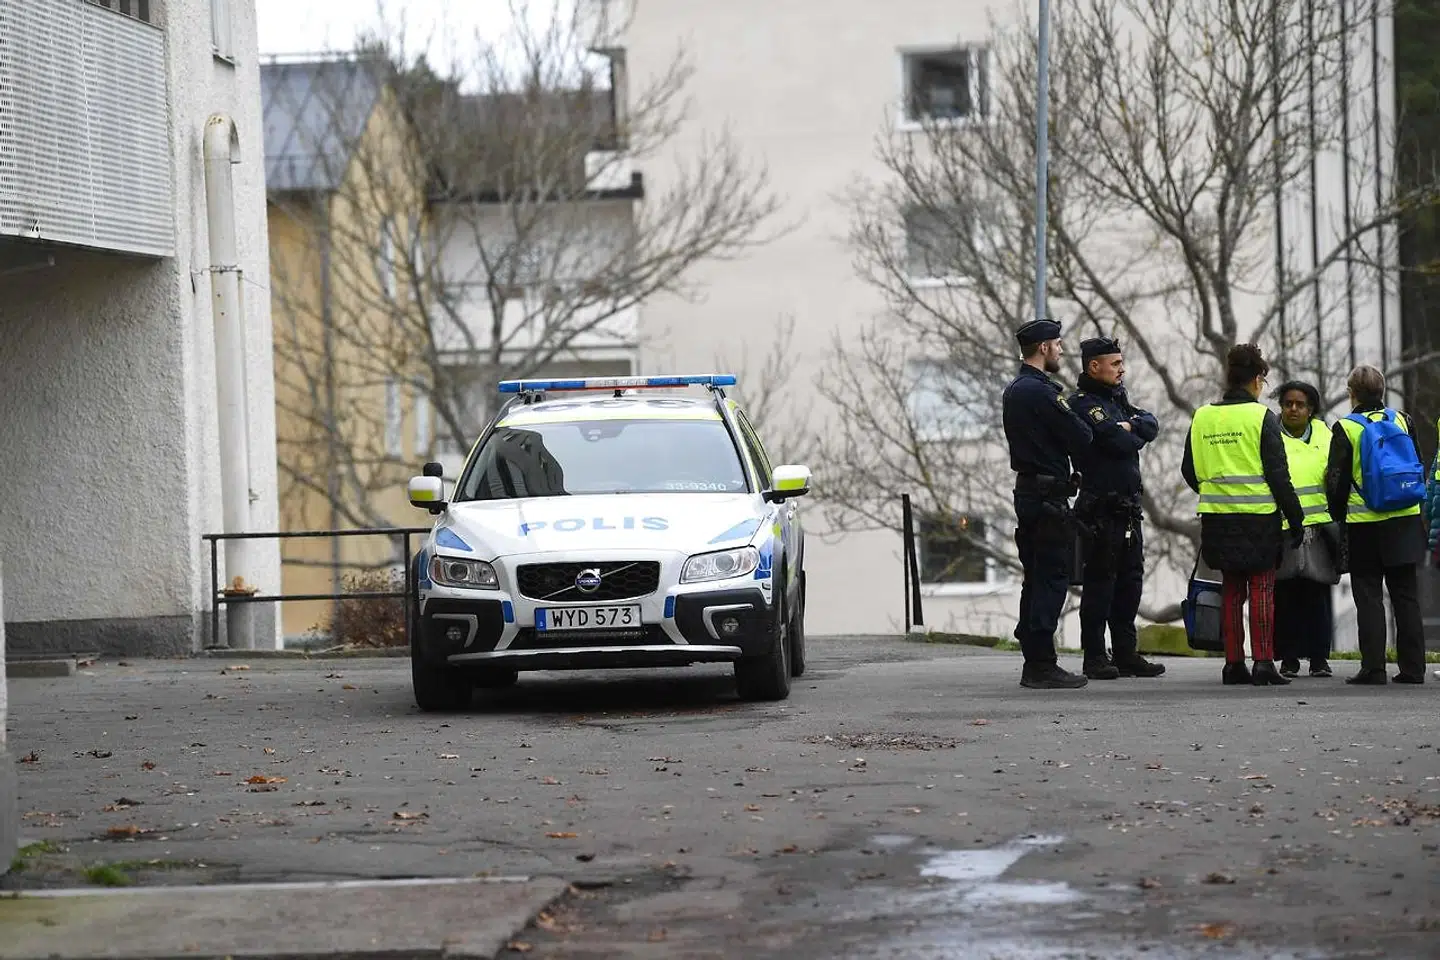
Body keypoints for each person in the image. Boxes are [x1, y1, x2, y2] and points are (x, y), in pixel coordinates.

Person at [1181, 343, 1305, 686]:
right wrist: (1295, 519)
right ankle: (1264, 663)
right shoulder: (1261, 418)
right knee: (1262, 589)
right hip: (1259, 517)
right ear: (1256, 380)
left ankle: (1233, 664)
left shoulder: (1203, 417)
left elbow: (1188, 469)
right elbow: (1279, 475)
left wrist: (1215, 492)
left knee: (1232, 591)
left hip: (1217, 518)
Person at [1002, 317, 1094, 690]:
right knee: (1051, 578)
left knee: (1035, 577)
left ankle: (1035, 656)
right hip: (1047, 499)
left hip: (1030, 494)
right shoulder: (1041, 392)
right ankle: (1041, 663)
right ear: (1043, 348)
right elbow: (1081, 435)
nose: (1060, 350)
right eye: (1057, 344)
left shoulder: (1015, 389)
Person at [1068, 336, 1166, 680]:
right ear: (1094, 366)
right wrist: (1131, 430)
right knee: (1100, 584)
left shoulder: (1118, 400)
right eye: (1115, 365)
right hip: (1100, 509)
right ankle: (1095, 655)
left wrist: (1131, 426)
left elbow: (1150, 424)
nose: (1122, 371)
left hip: (1128, 509)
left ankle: (1126, 653)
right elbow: (1118, 440)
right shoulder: (1082, 403)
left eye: (1122, 364)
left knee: (1130, 583)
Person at [1325, 365, 1428, 685]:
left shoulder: (1346, 428)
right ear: (1382, 392)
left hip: (1364, 523)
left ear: (1351, 393)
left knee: (1369, 595)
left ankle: (1373, 667)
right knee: (1406, 596)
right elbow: (1417, 462)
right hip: (1405, 517)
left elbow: (1336, 480)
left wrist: (1337, 513)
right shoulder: (1402, 420)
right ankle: (1413, 668)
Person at [1270, 380, 1337, 677]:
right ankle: (1289, 658)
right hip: (1283, 529)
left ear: (1311, 409)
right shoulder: (1270, 435)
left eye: (1300, 404)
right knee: (1285, 596)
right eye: (1288, 404)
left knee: (1317, 595)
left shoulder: (1326, 434)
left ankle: (1320, 658)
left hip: (1320, 529)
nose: (1293, 409)